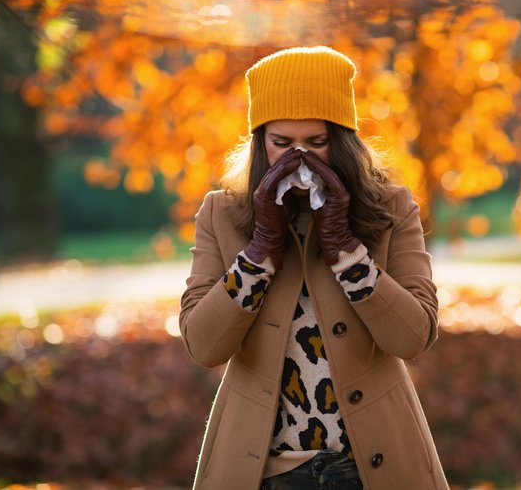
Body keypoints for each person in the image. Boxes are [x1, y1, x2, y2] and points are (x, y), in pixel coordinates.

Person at [179, 45, 448, 489]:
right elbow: (203, 346)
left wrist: (346, 251)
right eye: (281, 143)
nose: (297, 160)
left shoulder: (391, 208)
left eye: (316, 143)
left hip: (371, 468)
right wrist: (261, 251)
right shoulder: (222, 215)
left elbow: (414, 336)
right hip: (264, 472)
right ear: (260, 142)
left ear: (341, 142)